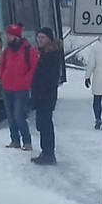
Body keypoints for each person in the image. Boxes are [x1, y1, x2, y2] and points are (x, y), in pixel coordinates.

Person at [0, 24, 37, 151]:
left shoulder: (28, 50)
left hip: (21, 89)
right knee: (11, 117)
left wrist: (26, 81)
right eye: (7, 35)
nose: (8, 37)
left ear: (17, 37)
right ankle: (15, 140)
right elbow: (1, 66)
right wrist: (2, 76)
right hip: (7, 88)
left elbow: (34, 68)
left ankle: (27, 142)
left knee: (19, 116)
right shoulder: (7, 51)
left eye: (10, 35)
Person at [30, 27, 63, 165]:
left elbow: (48, 78)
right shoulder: (44, 53)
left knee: (45, 125)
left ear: (49, 39)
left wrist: (39, 95)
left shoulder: (51, 55)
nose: (39, 40)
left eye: (42, 38)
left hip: (46, 96)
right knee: (42, 124)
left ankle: (48, 154)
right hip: (42, 95)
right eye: (38, 38)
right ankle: (46, 152)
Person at [85, 37, 102, 130]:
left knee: (97, 99)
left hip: (98, 75)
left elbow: (91, 63)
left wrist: (87, 76)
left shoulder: (96, 47)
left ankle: (98, 119)